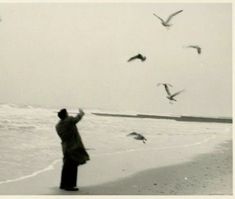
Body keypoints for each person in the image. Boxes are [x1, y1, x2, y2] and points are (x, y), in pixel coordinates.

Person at [55, 108, 90, 191]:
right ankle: (69, 186)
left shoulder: (58, 126)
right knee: (72, 166)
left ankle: (63, 184)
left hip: (65, 147)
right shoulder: (69, 121)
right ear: (66, 114)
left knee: (66, 166)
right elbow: (76, 119)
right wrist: (81, 113)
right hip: (73, 146)